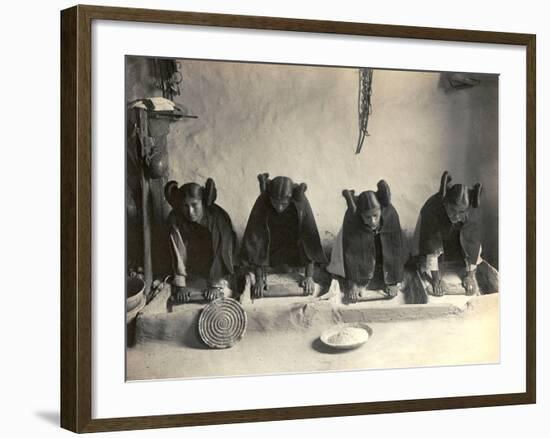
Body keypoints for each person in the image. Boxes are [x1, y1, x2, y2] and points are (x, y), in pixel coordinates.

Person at [241, 173, 328, 298]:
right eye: (275, 203)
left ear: (291, 198)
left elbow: (308, 241)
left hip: (292, 244)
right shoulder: (262, 202)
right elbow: (257, 241)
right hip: (271, 244)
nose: (279, 208)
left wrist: (309, 277)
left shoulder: (300, 203)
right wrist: (259, 279)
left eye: (284, 203)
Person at [415, 171, 498, 296]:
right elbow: (430, 246)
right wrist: (436, 279)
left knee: (464, 249)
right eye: (453, 211)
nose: (457, 216)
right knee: (423, 261)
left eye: (461, 212)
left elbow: (473, 244)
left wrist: (470, 275)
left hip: (455, 239)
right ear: (445, 203)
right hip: (436, 236)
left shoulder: (471, 213)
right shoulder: (432, 208)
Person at [327, 180, 404, 302]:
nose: (373, 221)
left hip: (379, 255)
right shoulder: (352, 220)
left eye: (375, 216)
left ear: (381, 210)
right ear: (360, 215)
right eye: (367, 217)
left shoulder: (390, 214)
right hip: (361, 254)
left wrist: (393, 280)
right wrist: (353, 283)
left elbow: (395, 249)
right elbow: (351, 253)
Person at [164, 178, 237, 303]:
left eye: (194, 205)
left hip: (219, 270)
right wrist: (181, 284)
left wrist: (215, 285)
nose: (190, 212)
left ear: (202, 202)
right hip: (192, 270)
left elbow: (223, 250)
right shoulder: (175, 218)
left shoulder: (218, 219)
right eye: (185, 206)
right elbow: (177, 250)